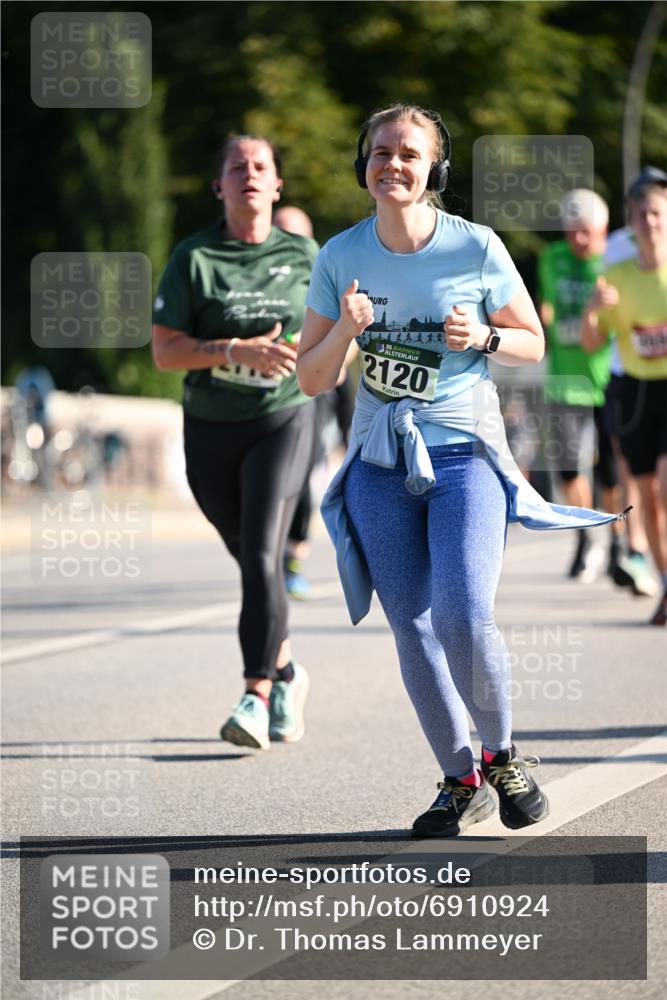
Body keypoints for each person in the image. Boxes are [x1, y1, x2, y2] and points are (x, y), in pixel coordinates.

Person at [297, 104, 624, 838]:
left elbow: (531, 344)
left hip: (463, 450)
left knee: (461, 613)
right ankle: (459, 780)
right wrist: (347, 332)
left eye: (409, 153)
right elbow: (311, 381)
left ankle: (503, 756)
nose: (393, 164)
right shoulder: (339, 256)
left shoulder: (474, 247)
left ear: (433, 169)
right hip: (381, 456)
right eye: (380, 151)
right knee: (410, 626)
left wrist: (482, 334)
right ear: (364, 164)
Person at [152, 133, 318, 749]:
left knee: (261, 560)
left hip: (284, 416)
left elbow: (339, 332)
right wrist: (230, 350)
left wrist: (322, 347)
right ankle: (287, 668)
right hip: (211, 428)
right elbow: (165, 351)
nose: (249, 174)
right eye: (235, 167)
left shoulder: (305, 254)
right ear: (218, 186)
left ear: (276, 185)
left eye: (260, 166)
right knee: (251, 557)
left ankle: (255, 695)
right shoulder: (194, 258)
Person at [581, 166, 667, 626]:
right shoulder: (614, 274)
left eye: (657, 213)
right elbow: (592, 342)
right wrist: (593, 313)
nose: (649, 222)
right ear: (630, 223)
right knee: (648, 496)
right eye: (642, 215)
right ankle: (664, 580)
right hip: (635, 390)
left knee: (666, 486)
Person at [537, 190, 621, 584]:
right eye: (572, 232)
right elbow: (548, 305)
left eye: (586, 232)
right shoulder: (552, 258)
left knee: (610, 472)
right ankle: (588, 537)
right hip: (564, 381)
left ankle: (619, 541)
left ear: (603, 229)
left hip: (607, 381)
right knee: (568, 470)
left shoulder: (614, 262)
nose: (578, 240)